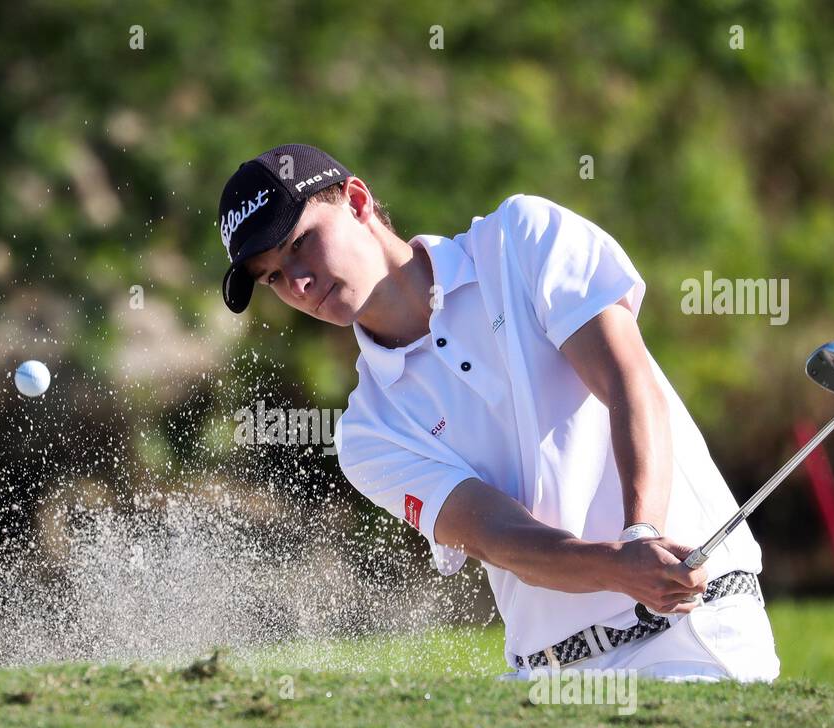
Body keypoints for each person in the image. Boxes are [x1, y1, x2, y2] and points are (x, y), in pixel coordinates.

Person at [216, 144, 779, 683]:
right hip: (550, 675)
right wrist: (620, 564)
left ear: (357, 201)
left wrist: (642, 532)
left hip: (694, 630)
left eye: (299, 244)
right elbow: (501, 537)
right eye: (273, 277)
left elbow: (627, 382)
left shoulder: (521, 238)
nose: (299, 282)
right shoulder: (369, 431)